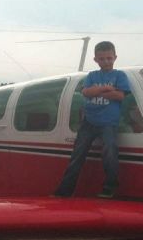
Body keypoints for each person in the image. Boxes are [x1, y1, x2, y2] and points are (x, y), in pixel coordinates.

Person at [54, 41, 130, 198]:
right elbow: (86, 93)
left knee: (110, 152)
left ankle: (109, 187)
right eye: (102, 59)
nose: (106, 61)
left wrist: (95, 91)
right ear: (96, 60)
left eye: (109, 58)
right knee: (77, 155)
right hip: (88, 122)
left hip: (109, 123)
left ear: (115, 57)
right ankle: (64, 191)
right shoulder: (92, 75)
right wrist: (106, 89)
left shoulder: (120, 75)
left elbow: (120, 95)